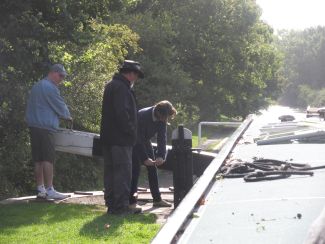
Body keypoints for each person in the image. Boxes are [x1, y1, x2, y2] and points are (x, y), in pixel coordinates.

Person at [100, 60, 144, 215]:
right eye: (136, 75)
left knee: (110, 172)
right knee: (122, 173)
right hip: (121, 139)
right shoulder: (122, 88)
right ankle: (120, 206)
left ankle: (112, 205)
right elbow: (123, 114)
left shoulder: (111, 85)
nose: (136, 79)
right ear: (131, 73)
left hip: (108, 138)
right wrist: (132, 132)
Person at [25, 64, 72, 200]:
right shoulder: (50, 87)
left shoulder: (37, 85)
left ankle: (40, 189)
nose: (62, 79)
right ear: (52, 73)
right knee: (48, 159)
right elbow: (60, 106)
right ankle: (50, 189)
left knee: (38, 159)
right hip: (46, 128)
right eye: (61, 75)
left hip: (34, 127)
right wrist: (68, 116)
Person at [130, 100, 177, 208]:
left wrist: (161, 156)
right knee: (135, 169)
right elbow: (137, 138)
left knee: (153, 168)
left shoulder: (162, 119)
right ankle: (131, 202)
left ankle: (157, 199)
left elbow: (162, 138)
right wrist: (145, 158)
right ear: (158, 113)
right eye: (165, 117)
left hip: (145, 140)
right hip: (133, 141)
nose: (166, 120)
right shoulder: (142, 116)